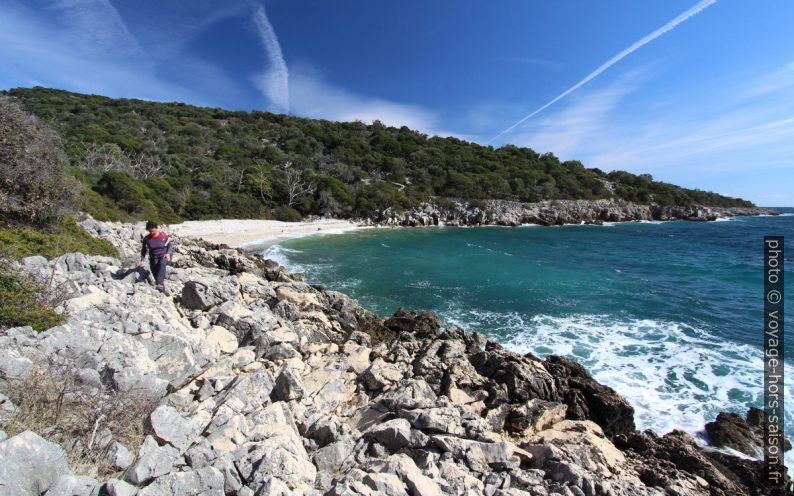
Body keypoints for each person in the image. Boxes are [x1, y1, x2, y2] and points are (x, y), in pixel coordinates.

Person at [138, 221, 172, 293]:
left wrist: (168, 253)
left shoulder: (163, 235)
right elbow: (143, 250)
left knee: (162, 263)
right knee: (157, 277)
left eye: (153, 231)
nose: (152, 233)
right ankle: (162, 293)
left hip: (164, 256)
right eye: (150, 231)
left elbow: (169, 245)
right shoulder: (147, 239)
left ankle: (160, 284)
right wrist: (142, 260)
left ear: (156, 228)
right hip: (153, 259)